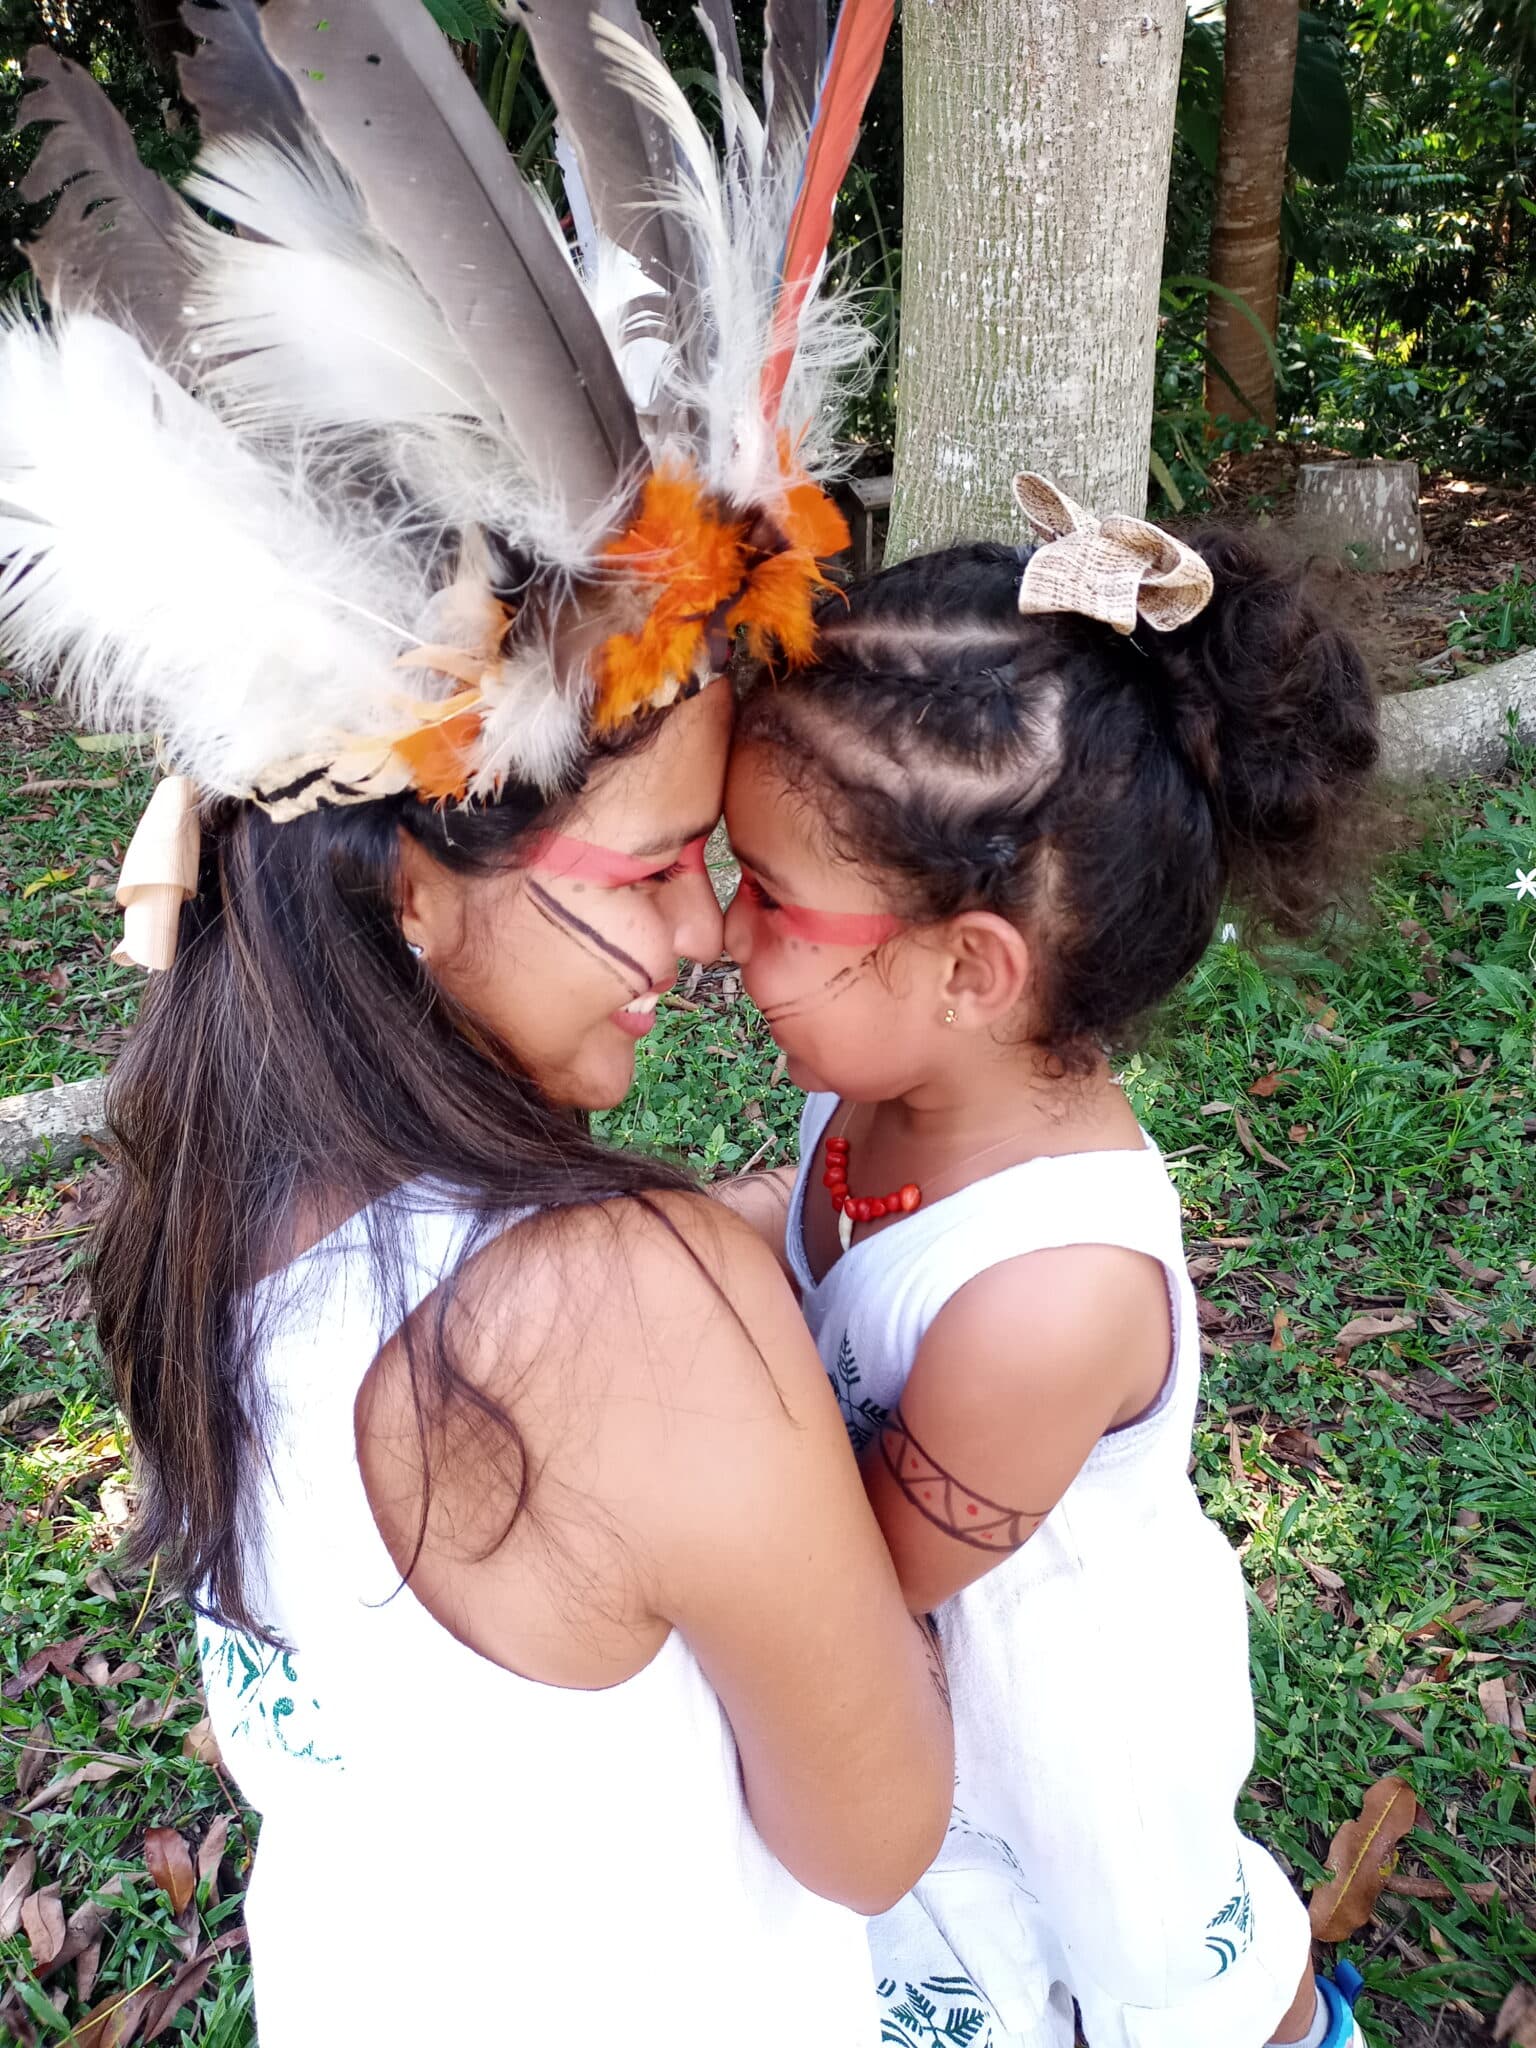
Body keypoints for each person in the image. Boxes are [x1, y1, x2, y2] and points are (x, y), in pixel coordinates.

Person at [0, 3, 952, 2041]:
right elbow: (878, 1838)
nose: (710, 933)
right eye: (660, 866)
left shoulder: (200, 1206)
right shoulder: (633, 1306)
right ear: (415, 883)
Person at [717, 475, 1380, 2048]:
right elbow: (817, 1228)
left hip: (1063, 1727)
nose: (721, 933)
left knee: (1154, 1963)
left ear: (971, 968)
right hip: (936, 1708)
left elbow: (867, 1577)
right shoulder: (888, 1078)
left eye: (775, 903)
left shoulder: (1049, 1297)